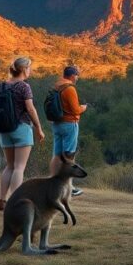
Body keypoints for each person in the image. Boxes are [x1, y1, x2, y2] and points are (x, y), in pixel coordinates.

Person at [0, 56, 45, 211]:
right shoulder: (24, 87)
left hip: (4, 130)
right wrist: (38, 127)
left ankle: (2, 200)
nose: (30, 70)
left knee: (9, 166)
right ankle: (15, 202)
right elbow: (30, 109)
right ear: (24, 69)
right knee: (19, 167)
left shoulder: (4, 85)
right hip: (21, 128)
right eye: (29, 68)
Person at [49, 64, 88, 197]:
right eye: (77, 75)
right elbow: (75, 110)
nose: (77, 77)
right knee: (69, 157)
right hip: (69, 124)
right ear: (72, 75)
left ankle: (53, 184)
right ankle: (69, 188)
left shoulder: (56, 86)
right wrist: (83, 108)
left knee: (57, 155)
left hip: (57, 123)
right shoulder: (69, 88)